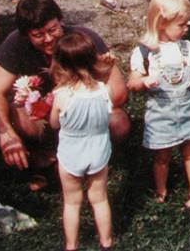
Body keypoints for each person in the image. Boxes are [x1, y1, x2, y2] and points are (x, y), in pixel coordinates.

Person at [0, 0, 130, 189]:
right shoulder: (15, 43)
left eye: (53, 30)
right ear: (25, 34)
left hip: (80, 122)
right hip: (38, 121)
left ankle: (91, 162)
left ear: (60, 21)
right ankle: (40, 160)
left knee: (118, 122)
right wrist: (6, 133)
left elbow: (120, 92)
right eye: (38, 35)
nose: (48, 39)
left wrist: (78, 106)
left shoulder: (82, 39)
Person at [128, 0, 190, 210]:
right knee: (162, 156)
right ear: (162, 23)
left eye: (186, 23)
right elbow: (132, 83)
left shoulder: (187, 48)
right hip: (160, 111)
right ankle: (161, 191)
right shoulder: (145, 52)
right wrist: (144, 81)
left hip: (187, 108)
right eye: (181, 25)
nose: (186, 28)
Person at [49, 31, 115, 251]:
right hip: (98, 149)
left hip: (71, 152)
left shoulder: (62, 95)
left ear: (62, 64)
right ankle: (106, 242)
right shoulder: (104, 91)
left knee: (72, 202)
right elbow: (107, 117)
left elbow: (54, 124)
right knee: (99, 198)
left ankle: (71, 245)